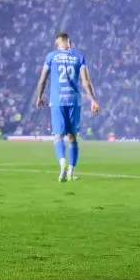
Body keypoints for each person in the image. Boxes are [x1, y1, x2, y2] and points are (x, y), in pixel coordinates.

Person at [36, 33, 101, 182]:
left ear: (58, 43)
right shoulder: (79, 57)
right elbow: (86, 81)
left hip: (57, 101)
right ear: (68, 42)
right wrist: (92, 100)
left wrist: (39, 97)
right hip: (74, 101)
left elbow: (42, 79)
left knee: (58, 136)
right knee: (73, 138)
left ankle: (62, 163)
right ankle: (71, 171)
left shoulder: (51, 56)